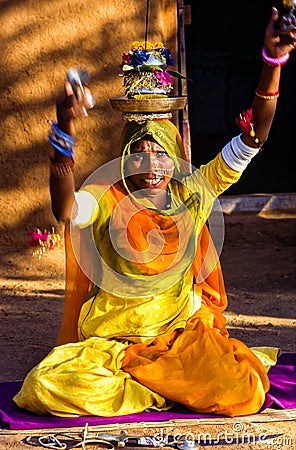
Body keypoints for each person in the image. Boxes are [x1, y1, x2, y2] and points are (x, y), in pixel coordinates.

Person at [14, 7, 295, 418]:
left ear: (176, 155)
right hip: (112, 347)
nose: (151, 165)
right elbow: (66, 208)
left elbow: (254, 138)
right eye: (139, 153)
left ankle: (158, 385)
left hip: (180, 339)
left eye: (160, 152)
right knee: (45, 385)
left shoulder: (195, 191)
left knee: (243, 388)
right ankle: (158, 388)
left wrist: (273, 63)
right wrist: (64, 135)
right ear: (125, 159)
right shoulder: (105, 198)